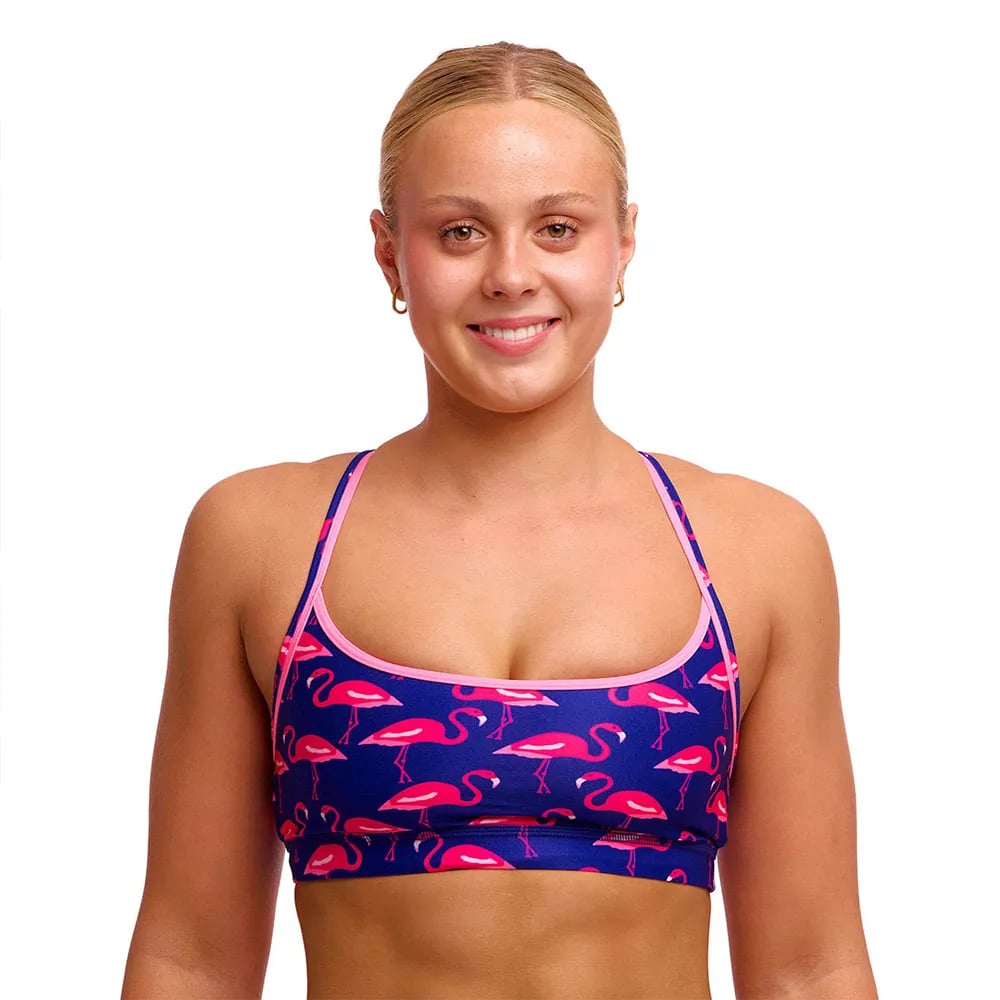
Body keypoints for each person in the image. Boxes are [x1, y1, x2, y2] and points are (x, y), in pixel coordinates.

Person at [121, 41, 876, 1000]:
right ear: (390, 254)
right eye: (460, 232)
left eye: (558, 228)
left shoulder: (757, 552)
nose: (511, 275)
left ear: (623, 243)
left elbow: (810, 969)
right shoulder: (260, 540)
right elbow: (191, 958)